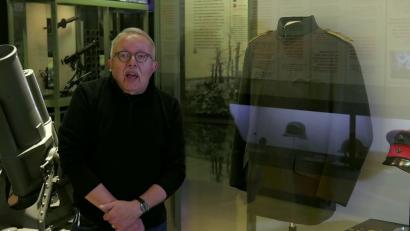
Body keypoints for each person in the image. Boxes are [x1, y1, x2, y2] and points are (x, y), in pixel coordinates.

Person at [58, 27, 186, 231]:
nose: (132, 62)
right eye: (123, 55)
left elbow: (176, 170)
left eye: (141, 56)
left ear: (154, 66)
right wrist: (119, 215)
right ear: (110, 63)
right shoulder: (87, 97)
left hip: (148, 222)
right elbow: (72, 158)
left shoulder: (168, 107)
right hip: (93, 222)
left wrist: (137, 209)